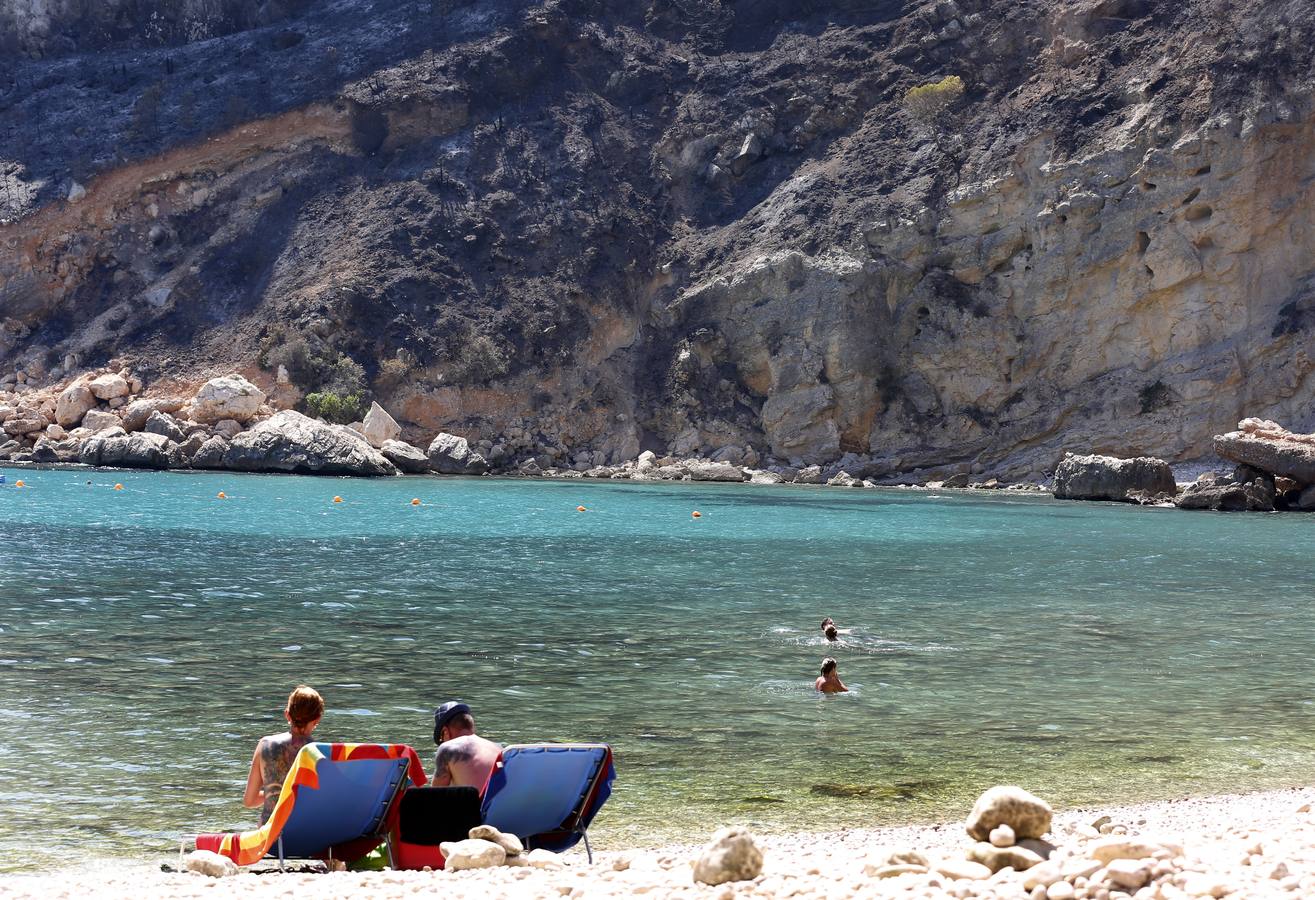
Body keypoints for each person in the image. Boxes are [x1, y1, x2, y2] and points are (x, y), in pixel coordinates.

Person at [243, 685, 324, 824]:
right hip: (307, 832)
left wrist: (272, 794)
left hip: (270, 836)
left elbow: (249, 801)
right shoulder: (320, 752)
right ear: (317, 719)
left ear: (287, 714)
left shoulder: (265, 745)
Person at [432, 700, 502, 789]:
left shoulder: (447, 748)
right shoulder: (498, 748)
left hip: (478, 802)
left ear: (445, 732)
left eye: (441, 739)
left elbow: (434, 795)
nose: (442, 742)